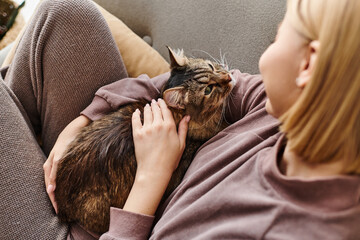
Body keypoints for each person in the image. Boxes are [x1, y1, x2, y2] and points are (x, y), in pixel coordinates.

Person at [0, 0, 359, 239]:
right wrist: (81, 122)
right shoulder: (279, 107)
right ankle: (33, 142)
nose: (268, 45)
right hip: (105, 171)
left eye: (280, 32)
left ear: (308, 64)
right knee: (67, 12)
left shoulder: (273, 227)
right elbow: (177, 81)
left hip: (102, 227)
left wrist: (150, 178)